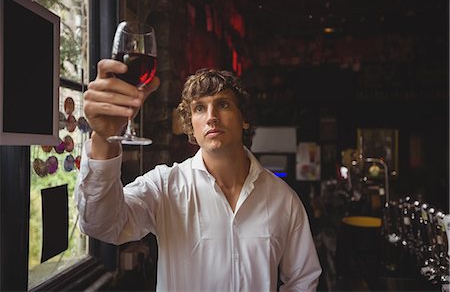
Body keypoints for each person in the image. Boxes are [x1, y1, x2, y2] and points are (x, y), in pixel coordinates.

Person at [75, 60, 322, 291]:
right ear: (191, 124)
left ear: (244, 118)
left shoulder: (283, 198)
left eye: (223, 104)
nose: (212, 117)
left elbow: (303, 279)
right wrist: (103, 139)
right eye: (200, 108)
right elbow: (102, 225)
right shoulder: (164, 186)